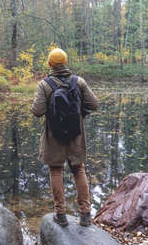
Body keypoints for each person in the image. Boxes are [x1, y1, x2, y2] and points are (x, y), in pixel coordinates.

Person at [31, 48, 99, 227]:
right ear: (65, 62)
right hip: (75, 135)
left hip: (54, 135)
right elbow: (94, 104)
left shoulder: (44, 85)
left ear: (50, 64)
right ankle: (85, 214)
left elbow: (37, 111)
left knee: (55, 170)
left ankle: (60, 214)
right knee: (79, 170)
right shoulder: (79, 81)